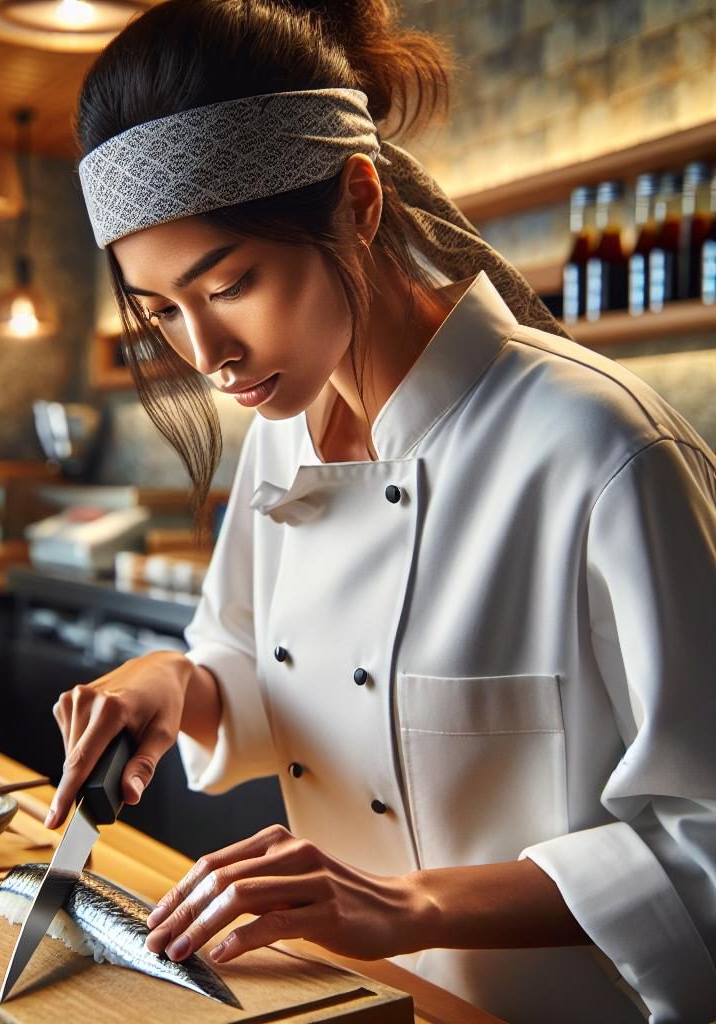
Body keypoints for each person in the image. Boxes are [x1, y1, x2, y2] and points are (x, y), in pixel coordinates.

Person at [46, 2, 716, 1021]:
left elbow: (704, 844)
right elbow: (262, 672)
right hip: (353, 1002)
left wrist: (412, 903)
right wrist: (168, 683)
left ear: (358, 199)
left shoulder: (604, 454)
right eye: (161, 312)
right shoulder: (282, 432)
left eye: (229, 282)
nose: (204, 353)